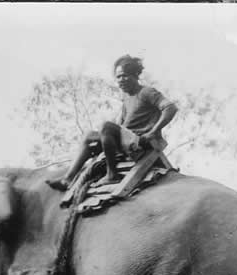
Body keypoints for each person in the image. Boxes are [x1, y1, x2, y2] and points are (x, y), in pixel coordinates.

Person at [47, 55, 178, 191]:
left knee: (106, 126)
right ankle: (68, 179)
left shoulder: (147, 92)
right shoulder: (127, 97)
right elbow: (122, 124)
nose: (120, 80)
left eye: (124, 76)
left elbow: (170, 108)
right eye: (118, 77)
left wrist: (153, 131)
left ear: (135, 75)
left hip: (140, 142)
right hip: (126, 141)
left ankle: (112, 174)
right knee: (89, 135)